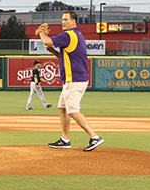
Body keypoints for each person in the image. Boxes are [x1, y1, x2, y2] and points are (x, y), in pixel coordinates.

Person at [37, 11, 104, 152]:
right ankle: (65, 139)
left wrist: (41, 33)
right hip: (71, 80)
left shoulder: (69, 35)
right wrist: (53, 52)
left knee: (72, 110)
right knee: (63, 108)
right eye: (62, 19)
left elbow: (46, 41)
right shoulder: (76, 36)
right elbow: (65, 56)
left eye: (66, 19)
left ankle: (94, 136)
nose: (63, 22)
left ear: (74, 22)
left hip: (75, 79)